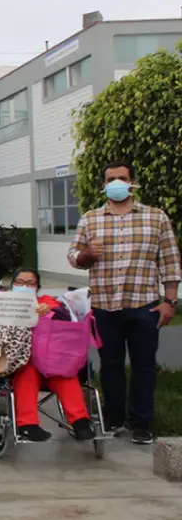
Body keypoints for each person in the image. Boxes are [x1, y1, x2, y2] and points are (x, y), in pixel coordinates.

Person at [68, 161, 181, 445]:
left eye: (121, 178)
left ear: (131, 182)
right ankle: (114, 417)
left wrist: (170, 301)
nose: (115, 183)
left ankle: (141, 422)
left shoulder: (156, 218)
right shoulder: (90, 218)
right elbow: (73, 255)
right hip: (105, 306)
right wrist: (87, 255)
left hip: (144, 305)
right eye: (110, 179)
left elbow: (169, 261)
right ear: (104, 185)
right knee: (110, 364)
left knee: (144, 365)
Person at [0, 269, 95, 442]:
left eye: (30, 283)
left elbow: (59, 307)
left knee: (65, 376)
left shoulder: (45, 301)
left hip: (50, 364)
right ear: (12, 284)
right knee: (27, 371)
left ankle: (81, 422)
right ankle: (28, 425)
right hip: (19, 365)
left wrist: (49, 310)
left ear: (37, 287)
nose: (24, 286)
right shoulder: (1, 300)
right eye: (19, 282)